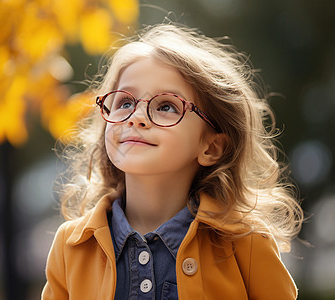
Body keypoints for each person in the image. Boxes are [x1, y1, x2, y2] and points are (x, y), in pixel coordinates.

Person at [41, 23, 304, 299]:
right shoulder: (70, 246)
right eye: (125, 103)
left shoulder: (247, 245)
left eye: (166, 106)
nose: (136, 117)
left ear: (211, 146)